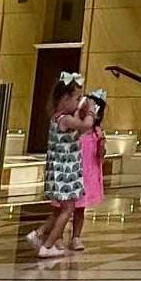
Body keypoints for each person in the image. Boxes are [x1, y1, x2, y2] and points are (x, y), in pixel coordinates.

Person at [28, 73, 95, 261]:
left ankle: (38, 234)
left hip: (59, 172)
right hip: (65, 174)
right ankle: (48, 246)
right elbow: (85, 126)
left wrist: (79, 111)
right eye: (76, 98)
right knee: (67, 209)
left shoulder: (57, 118)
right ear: (65, 99)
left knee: (58, 210)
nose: (79, 102)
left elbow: (74, 134)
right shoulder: (65, 120)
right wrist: (90, 112)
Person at [72, 84, 108, 251]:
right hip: (73, 173)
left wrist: (102, 144)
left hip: (87, 175)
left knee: (80, 209)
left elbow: (100, 155)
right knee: (64, 209)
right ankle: (56, 237)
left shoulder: (97, 132)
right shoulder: (77, 129)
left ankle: (76, 237)